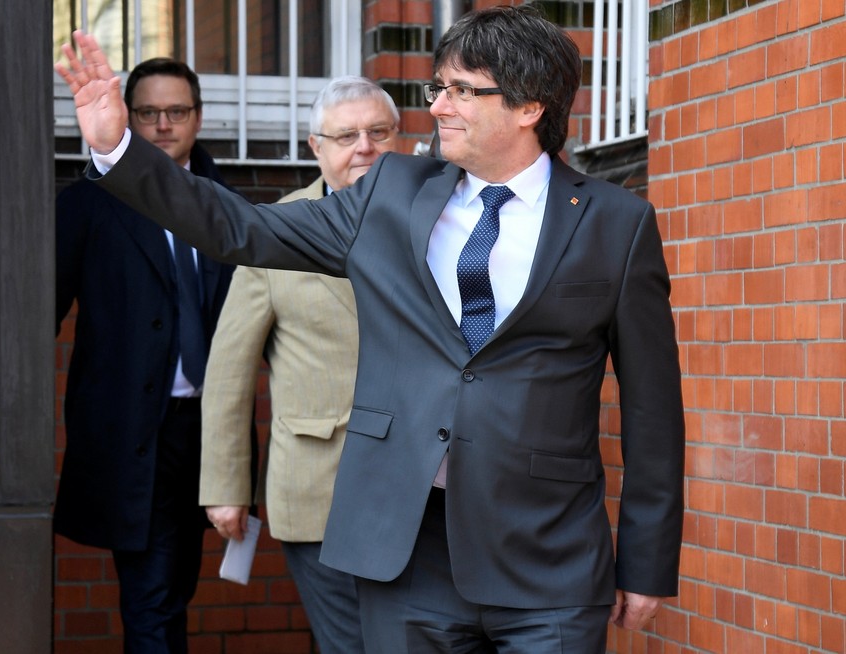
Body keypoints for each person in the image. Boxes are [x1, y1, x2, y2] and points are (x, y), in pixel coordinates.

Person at [57, 5, 686, 652]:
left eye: (462, 91)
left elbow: (653, 410)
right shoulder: (390, 194)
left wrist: (646, 559)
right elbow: (242, 229)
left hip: (547, 556)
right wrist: (117, 148)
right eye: (437, 87)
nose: (438, 106)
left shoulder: (618, 224)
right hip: (406, 550)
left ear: (530, 107)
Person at [202, 76, 399, 654]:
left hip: (419, 493)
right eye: (345, 135)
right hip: (319, 488)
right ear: (316, 147)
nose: (363, 146)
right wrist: (226, 487)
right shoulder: (277, 230)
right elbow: (229, 370)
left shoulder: (441, 223)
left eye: (377, 132)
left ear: (399, 136)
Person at [54, 57, 236, 653]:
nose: (162, 125)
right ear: (127, 115)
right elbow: (40, 314)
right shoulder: (86, 204)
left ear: (198, 118)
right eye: (148, 112)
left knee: (176, 585)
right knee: (152, 595)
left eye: (176, 111)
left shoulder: (227, 205)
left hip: (210, 433)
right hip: (136, 433)